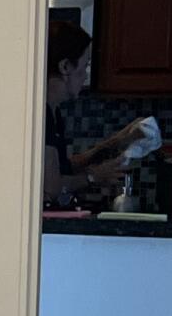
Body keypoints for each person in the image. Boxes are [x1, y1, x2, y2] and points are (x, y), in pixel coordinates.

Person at [42, 16, 152, 207]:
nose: (85, 74)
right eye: (85, 65)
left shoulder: (52, 111)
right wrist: (94, 177)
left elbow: (63, 167)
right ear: (65, 66)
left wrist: (118, 141)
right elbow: (52, 187)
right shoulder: (41, 115)